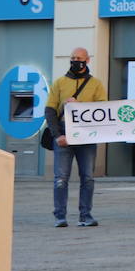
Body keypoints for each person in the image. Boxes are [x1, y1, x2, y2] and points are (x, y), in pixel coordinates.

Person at [43, 48, 108, 227]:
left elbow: (103, 109)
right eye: (72, 58)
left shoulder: (96, 84)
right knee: (61, 178)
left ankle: (85, 214)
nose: (75, 60)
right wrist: (58, 135)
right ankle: (60, 216)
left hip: (86, 134)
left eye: (79, 58)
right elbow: (50, 110)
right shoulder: (60, 83)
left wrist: (81, 105)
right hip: (64, 132)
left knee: (87, 177)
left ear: (87, 60)